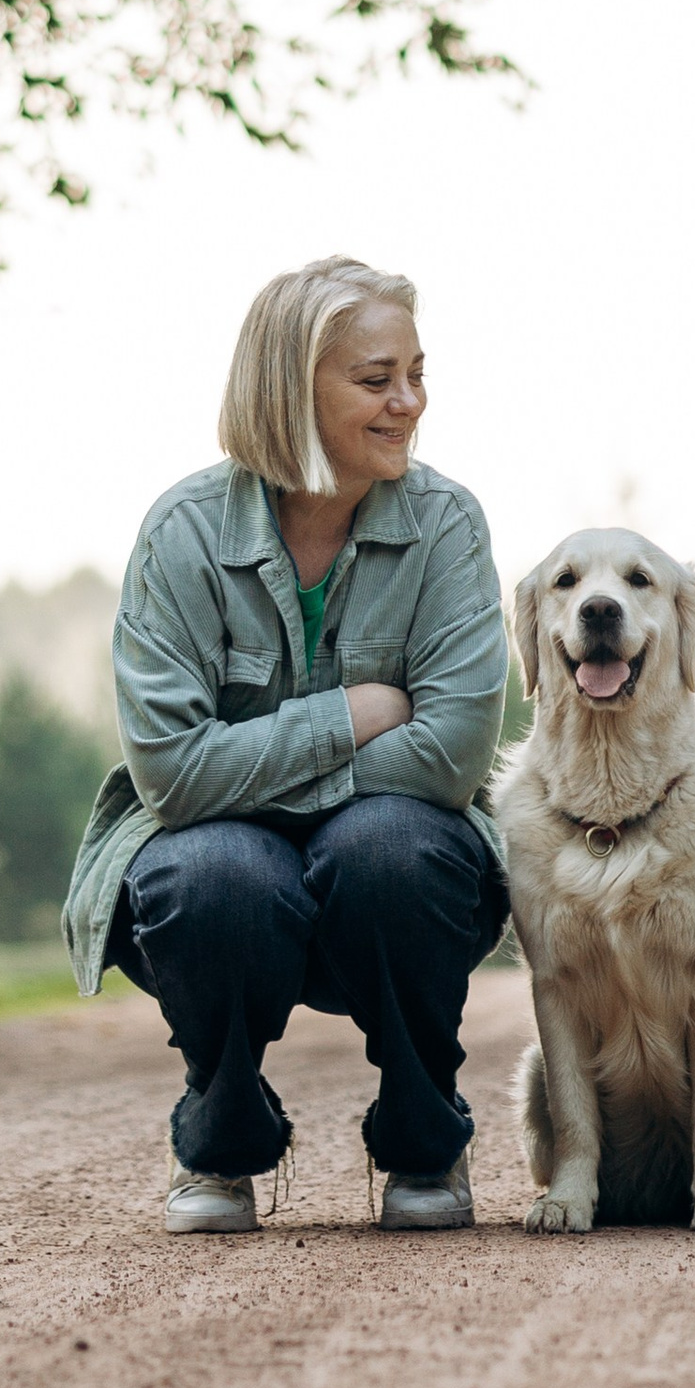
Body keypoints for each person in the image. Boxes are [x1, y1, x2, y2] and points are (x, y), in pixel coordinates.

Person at [63, 256, 511, 1233]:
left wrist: (261, 782)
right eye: (374, 379)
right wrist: (351, 715)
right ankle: (218, 1146)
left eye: (416, 375)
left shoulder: (446, 526)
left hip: (396, 878)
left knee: (386, 845)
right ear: (287, 387)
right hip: (222, 876)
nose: (408, 403)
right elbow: (171, 776)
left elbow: (450, 757)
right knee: (219, 869)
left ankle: (422, 1139)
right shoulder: (182, 533)